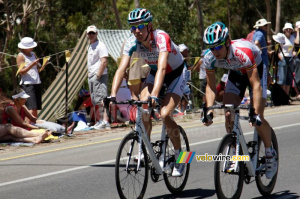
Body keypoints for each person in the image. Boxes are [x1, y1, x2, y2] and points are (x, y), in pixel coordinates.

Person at [109, 8, 187, 176]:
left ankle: (181, 156)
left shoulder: (161, 37)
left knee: (165, 114)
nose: (136, 31)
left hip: (175, 73)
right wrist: (112, 95)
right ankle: (147, 148)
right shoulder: (131, 42)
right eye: (133, 27)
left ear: (149, 26)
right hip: (154, 73)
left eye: (141, 26)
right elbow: (121, 69)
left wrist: (155, 95)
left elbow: (162, 67)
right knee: (143, 105)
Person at [202, 22, 277, 179]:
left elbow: (255, 85)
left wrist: (254, 111)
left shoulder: (242, 52)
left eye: (218, 47)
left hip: (256, 70)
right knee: (228, 112)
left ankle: (270, 153)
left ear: (227, 42)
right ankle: (234, 147)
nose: (215, 51)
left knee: (258, 118)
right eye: (211, 48)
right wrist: (208, 109)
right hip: (236, 73)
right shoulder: (209, 58)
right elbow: (210, 87)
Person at [86, 25, 110, 130]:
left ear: (96, 34)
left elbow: (104, 61)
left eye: (93, 33)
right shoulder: (90, 46)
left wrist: (98, 75)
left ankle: (105, 121)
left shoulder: (101, 45)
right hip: (92, 75)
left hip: (99, 76)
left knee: (102, 99)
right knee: (96, 99)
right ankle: (100, 120)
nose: (91, 35)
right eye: (89, 33)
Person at [16, 37, 45, 123]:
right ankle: (27, 127)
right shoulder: (20, 56)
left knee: (35, 108)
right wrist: (31, 65)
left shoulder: (33, 54)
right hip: (28, 84)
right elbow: (21, 72)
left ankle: (33, 126)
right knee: (31, 108)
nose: (32, 48)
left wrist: (43, 64)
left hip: (36, 82)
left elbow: (38, 69)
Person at [275, 23, 296, 96]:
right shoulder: (281, 37)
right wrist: (279, 55)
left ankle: (286, 96)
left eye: (289, 29)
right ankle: (282, 96)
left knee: (289, 78)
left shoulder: (293, 38)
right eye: (287, 29)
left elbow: (293, 47)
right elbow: (277, 48)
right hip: (283, 58)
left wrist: (293, 52)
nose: (288, 30)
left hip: (290, 58)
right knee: (282, 78)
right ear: (284, 30)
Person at [253, 19, 272, 86]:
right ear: (261, 26)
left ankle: (263, 93)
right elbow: (256, 42)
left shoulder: (256, 33)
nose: (267, 27)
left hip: (259, 61)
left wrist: (266, 44)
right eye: (265, 25)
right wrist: (260, 50)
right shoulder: (260, 34)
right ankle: (263, 94)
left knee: (266, 78)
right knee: (264, 80)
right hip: (262, 61)